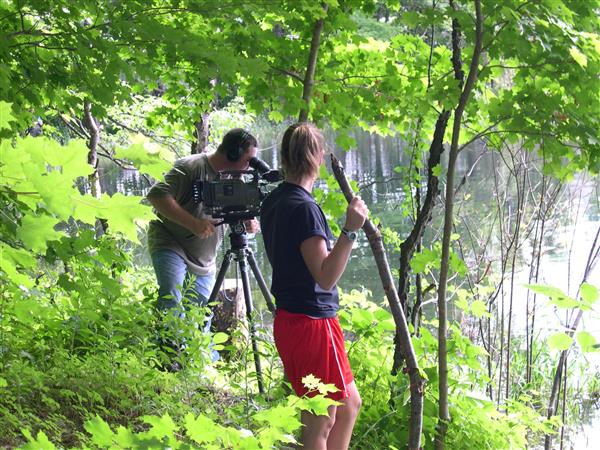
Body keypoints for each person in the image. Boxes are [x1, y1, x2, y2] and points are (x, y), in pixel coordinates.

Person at [260, 123, 368, 450]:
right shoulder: (304, 208)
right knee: (321, 420)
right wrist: (350, 231)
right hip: (311, 324)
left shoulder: (275, 200)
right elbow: (325, 275)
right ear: (316, 157)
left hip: (293, 321)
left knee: (348, 405)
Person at [146, 128, 259, 365]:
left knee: (202, 312)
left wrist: (247, 220)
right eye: (248, 160)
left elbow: (230, 212)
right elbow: (157, 196)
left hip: (203, 257)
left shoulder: (235, 178)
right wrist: (194, 223)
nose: (250, 167)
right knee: (172, 296)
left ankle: (201, 362)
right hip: (170, 242)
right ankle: (168, 360)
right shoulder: (191, 167)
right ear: (233, 153)